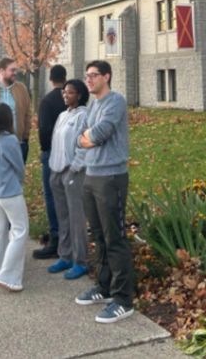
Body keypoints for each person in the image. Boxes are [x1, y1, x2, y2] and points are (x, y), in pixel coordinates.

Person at [74, 60, 134, 324]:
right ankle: (105, 287)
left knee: (114, 237)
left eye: (93, 75)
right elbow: (80, 136)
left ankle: (123, 300)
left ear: (106, 76)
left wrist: (89, 137)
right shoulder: (92, 105)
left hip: (111, 177)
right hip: (91, 174)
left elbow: (98, 134)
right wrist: (88, 137)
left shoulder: (115, 102)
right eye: (86, 76)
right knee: (98, 235)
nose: (88, 80)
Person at [46, 79, 90, 279]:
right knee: (63, 216)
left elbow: (85, 144)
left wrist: (75, 168)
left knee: (76, 217)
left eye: (70, 92)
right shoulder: (63, 115)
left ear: (79, 95)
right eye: (64, 91)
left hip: (73, 172)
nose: (65, 95)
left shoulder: (84, 115)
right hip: (57, 171)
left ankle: (81, 261)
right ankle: (65, 255)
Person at [0, 103, 29, 292]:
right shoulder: (9, 140)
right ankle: (8, 276)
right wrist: (21, 181)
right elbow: (19, 167)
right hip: (9, 191)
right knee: (20, 231)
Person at [33, 65, 68, 259]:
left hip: (52, 152)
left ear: (49, 79)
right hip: (71, 153)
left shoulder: (47, 101)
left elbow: (43, 129)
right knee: (67, 195)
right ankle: (66, 234)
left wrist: (45, 149)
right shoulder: (72, 98)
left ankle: (56, 237)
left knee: (51, 195)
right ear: (65, 77)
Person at [0, 58, 32, 163]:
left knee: (17, 177)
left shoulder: (21, 88)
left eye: (15, 70)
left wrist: (25, 137)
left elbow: (28, 113)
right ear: (1, 71)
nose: (15, 73)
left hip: (18, 143)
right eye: (12, 70)